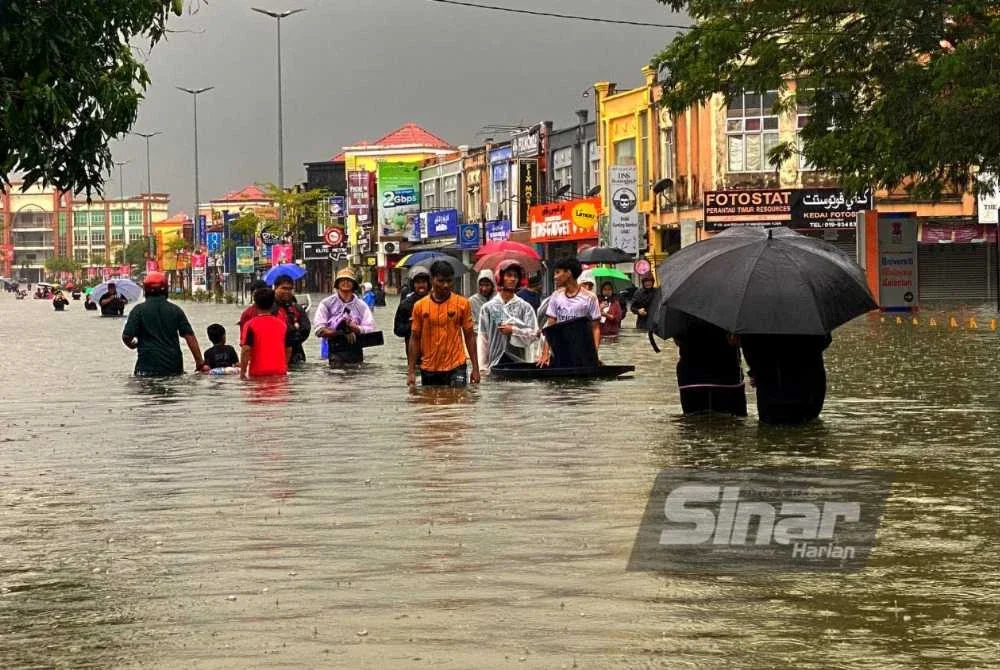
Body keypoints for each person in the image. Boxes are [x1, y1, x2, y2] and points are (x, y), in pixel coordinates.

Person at [408, 260, 480, 386]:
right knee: (430, 403)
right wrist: (411, 371)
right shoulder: (420, 306)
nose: (446, 285)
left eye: (449, 281)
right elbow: (414, 338)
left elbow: (469, 336)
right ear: (432, 280)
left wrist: (476, 368)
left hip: (456, 365)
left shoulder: (462, 304)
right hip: (429, 368)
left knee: (459, 401)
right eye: (441, 281)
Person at [121, 271, 209, 376]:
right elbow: (189, 336)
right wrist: (200, 363)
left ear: (145, 290)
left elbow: (127, 336)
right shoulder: (175, 310)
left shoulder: (138, 311)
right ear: (166, 289)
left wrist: (132, 345)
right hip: (173, 367)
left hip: (146, 368)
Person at [740, 333, 832, 424]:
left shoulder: (756, 323)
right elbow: (824, 341)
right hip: (806, 388)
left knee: (770, 426)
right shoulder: (809, 321)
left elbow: (748, 346)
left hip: (770, 387)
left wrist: (754, 372)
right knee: (807, 424)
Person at [673, 317, 747, 417]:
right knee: (734, 424)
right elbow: (738, 340)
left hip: (691, 379)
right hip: (727, 377)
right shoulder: (734, 308)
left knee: (692, 424)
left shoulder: (682, 308)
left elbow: (678, 341)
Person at [536, 257, 601, 367]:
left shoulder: (590, 297)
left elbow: (596, 328)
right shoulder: (556, 296)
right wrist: (545, 353)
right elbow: (550, 328)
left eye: (557, 272)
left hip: (582, 352)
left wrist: (594, 354)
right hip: (559, 351)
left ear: (568, 273)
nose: (555, 277)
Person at [477, 260, 539, 372]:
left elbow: (535, 334)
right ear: (501, 277)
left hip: (519, 366)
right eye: (509, 275)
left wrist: (514, 330)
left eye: (516, 276)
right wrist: (481, 367)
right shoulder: (489, 308)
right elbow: (483, 338)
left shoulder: (525, 307)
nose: (513, 279)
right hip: (494, 366)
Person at [314, 268, 375, 365]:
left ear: (354, 284)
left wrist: (355, 328)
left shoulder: (362, 306)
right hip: (331, 351)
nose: (345, 282)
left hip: (355, 350)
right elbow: (318, 329)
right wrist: (340, 332)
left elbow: (370, 328)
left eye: (349, 280)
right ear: (337, 284)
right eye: (342, 280)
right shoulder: (326, 303)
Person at [239, 288, 290, 380]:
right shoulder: (282, 325)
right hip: (280, 373)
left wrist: (242, 373)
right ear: (272, 303)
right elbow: (289, 348)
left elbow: (246, 349)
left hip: (258, 373)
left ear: (255, 304)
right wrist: (284, 366)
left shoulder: (250, 325)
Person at [273, 275, 311, 364]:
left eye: (290, 289)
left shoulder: (297, 308)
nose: (287, 291)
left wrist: (291, 338)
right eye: (284, 288)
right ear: (275, 288)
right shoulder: (269, 308)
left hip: (296, 354)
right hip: (275, 353)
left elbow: (306, 329)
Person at [393, 265, 431, 355]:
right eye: (418, 282)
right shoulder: (406, 304)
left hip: (434, 354)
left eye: (424, 282)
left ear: (428, 284)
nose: (421, 285)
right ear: (413, 285)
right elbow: (397, 330)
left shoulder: (436, 301)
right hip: (414, 355)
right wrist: (413, 324)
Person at [468, 269, 496, 334]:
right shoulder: (472, 301)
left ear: (492, 285)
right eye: (481, 285)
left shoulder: (497, 300)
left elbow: (498, 321)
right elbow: (472, 324)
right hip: (478, 338)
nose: (484, 288)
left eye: (487, 285)